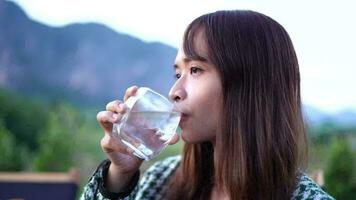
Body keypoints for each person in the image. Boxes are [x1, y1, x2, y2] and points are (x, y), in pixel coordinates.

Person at [81, 10, 334, 200]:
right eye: (177, 74)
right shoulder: (163, 179)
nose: (174, 92)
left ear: (249, 83)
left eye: (195, 70)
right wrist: (119, 177)